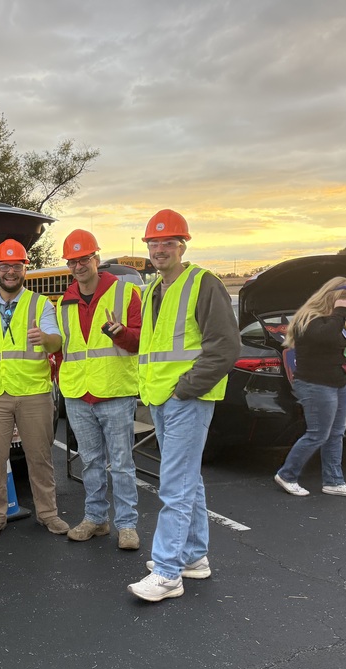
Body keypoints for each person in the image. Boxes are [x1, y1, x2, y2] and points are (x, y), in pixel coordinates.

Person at [127, 210, 239, 602]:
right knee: (188, 479)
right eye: (153, 243)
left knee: (174, 485)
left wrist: (186, 388)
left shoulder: (202, 283)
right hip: (162, 398)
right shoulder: (153, 289)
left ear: (183, 245)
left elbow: (225, 346)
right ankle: (192, 558)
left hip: (185, 399)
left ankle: (168, 572)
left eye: (167, 242)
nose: (159, 249)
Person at [0, 239, 69, 541]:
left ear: (24, 270)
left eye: (16, 266)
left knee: (40, 457)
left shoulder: (40, 304)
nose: (10, 271)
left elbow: (57, 341)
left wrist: (44, 338)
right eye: (4, 266)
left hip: (33, 392)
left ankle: (48, 515)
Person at [56, 229, 144, 549]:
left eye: (84, 259)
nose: (79, 266)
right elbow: (62, 349)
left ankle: (127, 525)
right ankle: (96, 519)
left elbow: (139, 343)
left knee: (121, 463)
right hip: (79, 393)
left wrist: (120, 334)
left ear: (97, 259)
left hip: (115, 391)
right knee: (91, 461)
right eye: (73, 261)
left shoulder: (126, 294)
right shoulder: (64, 303)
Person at [273, 278, 346, 498]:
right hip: (314, 383)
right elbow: (325, 336)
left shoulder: (336, 320)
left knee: (336, 433)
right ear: (332, 296)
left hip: (336, 381)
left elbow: (337, 344)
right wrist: (340, 312)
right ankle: (287, 475)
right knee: (317, 434)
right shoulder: (310, 318)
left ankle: (334, 481)